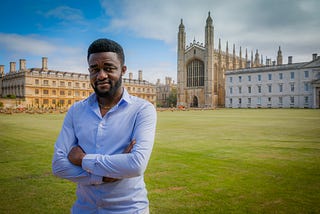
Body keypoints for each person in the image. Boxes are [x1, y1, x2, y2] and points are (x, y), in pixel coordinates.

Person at [52, 38, 157, 214]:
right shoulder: (76, 111)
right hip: (84, 209)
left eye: (108, 68)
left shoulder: (142, 109)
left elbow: (136, 165)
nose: (101, 75)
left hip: (128, 209)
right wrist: (105, 175)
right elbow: (59, 165)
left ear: (123, 70)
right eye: (95, 69)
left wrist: (82, 159)